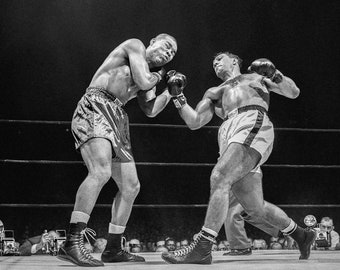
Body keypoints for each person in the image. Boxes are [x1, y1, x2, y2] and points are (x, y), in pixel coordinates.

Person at [161, 52, 316, 264]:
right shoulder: (214, 91)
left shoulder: (254, 78)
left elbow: (293, 92)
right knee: (255, 207)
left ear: (234, 61)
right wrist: (177, 96)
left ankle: (203, 247)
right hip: (228, 132)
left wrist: (274, 73)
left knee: (219, 177)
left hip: (251, 120)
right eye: (213, 61)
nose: (215, 63)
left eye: (219, 59)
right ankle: (302, 235)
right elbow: (194, 121)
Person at [57, 33, 177, 267]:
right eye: (167, 46)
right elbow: (144, 82)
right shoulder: (135, 46)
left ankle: (113, 247)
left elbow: (151, 110)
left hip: (118, 115)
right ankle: (72, 241)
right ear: (153, 42)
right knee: (100, 172)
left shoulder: (148, 74)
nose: (168, 53)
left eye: (172, 53)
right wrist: (161, 76)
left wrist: (170, 93)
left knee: (131, 187)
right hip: (97, 103)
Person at [224, 177, 280, 256]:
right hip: (245, 173)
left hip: (239, 173)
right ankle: (281, 229)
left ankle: (241, 247)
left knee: (232, 209)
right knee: (245, 211)